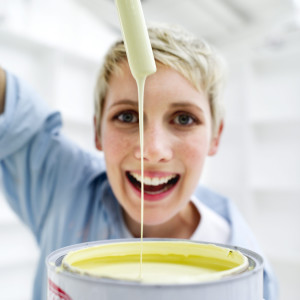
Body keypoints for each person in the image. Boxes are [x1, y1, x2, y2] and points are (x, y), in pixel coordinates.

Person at [0, 25, 277, 300]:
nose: (152, 150)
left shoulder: (251, 282)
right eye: (128, 116)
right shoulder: (64, 188)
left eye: (183, 119)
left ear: (215, 136)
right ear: (97, 132)